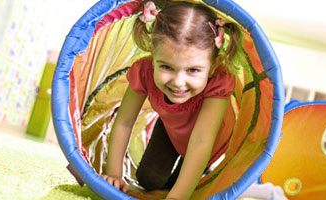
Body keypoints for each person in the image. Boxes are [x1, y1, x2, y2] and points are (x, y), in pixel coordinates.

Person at [101, 0, 242, 199]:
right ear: (153, 54)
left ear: (212, 66)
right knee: (147, 179)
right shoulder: (144, 71)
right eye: (167, 67)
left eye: (193, 70)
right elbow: (124, 122)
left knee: (183, 184)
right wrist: (114, 174)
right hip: (170, 127)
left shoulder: (219, 81)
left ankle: (191, 180)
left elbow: (202, 140)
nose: (178, 82)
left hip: (209, 139)